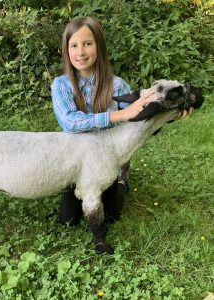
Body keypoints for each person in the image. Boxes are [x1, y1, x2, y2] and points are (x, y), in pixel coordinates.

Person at [51, 16, 156, 226]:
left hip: (107, 161)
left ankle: (120, 178)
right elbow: (69, 122)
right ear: (66, 50)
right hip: (75, 161)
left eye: (87, 44)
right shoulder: (61, 85)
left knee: (111, 217)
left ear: (99, 46)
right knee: (69, 220)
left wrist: (170, 114)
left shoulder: (117, 86)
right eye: (74, 45)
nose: (80, 52)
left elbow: (140, 120)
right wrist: (117, 115)